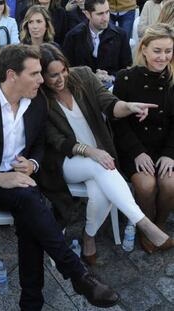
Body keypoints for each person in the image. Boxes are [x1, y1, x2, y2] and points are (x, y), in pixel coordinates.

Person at [0, 44, 120, 310]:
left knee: (29, 214)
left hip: (25, 182)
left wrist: (33, 163)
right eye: (35, 73)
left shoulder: (38, 101)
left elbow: (39, 143)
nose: (42, 80)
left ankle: (32, 302)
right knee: (30, 201)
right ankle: (76, 273)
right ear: (12, 75)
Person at [38, 43, 174, 265]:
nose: (61, 78)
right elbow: (56, 140)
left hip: (99, 159)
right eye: (53, 75)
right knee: (102, 165)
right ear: (42, 75)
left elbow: (109, 104)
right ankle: (145, 224)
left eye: (63, 70)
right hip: (65, 160)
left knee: (101, 191)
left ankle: (88, 238)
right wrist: (90, 151)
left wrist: (128, 107)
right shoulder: (38, 96)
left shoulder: (82, 75)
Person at [112, 23, 174, 253]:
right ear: (144, 49)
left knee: (170, 184)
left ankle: (159, 224)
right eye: (157, 50)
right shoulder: (126, 78)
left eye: (168, 51)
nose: (163, 57)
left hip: (166, 147)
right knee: (146, 186)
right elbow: (117, 122)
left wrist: (170, 154)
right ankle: (146, 227)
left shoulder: (173, 80)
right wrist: (136, 151)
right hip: (134, 148)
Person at [62, 0, 132, 86]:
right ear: (87, 14)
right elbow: (67, 69)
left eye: (107, 12)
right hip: (83, 86)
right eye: (100, 14)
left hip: (112, 87)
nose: (105, 18)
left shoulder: (120, 35)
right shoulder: (73, 36)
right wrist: (91, 77)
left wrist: (111, 78)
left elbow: (127, 69)